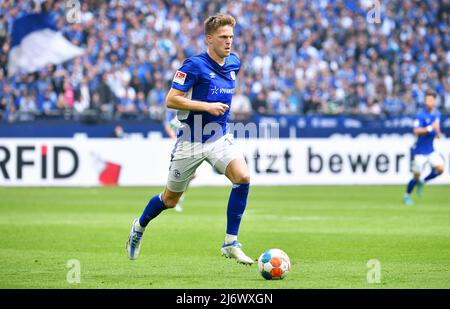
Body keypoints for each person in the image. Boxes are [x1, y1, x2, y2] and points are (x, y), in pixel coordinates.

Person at [126, 14, 253, 264]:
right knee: (169, 200)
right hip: (190, 141)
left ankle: (230, 242)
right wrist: (206, 106)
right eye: (223, 37)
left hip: (218, 137)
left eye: (231, 37)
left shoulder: (234, 62)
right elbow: (171, 99)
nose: (229, 42)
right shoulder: (193, 65)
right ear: (209, 39)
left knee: (243, 177)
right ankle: (138, 227)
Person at [403, 90, 444, 206]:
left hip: (430, 150)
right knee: (416, 175)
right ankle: (407, 195)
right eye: (426, 100)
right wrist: (430, 128)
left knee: (440, 169)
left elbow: (437, 129)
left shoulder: (437, 114)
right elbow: (416, 131)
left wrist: (438, 133)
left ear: (434, 101)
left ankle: (423, 181)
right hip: (419, 151)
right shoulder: (421, 115)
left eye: (430, 100)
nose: (428, 102)